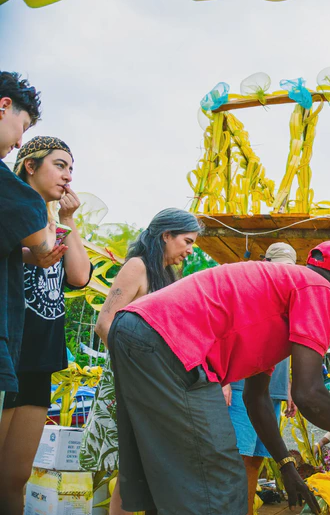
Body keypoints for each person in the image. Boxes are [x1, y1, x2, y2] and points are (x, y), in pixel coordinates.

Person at [109, 241, 330, 514]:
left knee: (165, 471)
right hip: (172, 342)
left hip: (133, 328)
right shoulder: (318, 289)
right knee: (222, 479)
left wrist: (285, 464)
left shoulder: (276, 294)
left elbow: (256, 397)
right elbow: (309, 394)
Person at [79, 208, 200, 515]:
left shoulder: (169, 275)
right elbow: (105, 324)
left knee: (146, 471)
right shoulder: (137, 267)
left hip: (153, 382)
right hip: (131, 379)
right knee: (131, 473)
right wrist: (137, 370)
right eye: (186, 241)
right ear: (166, 235)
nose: (190, 249)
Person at [0, 136, 92, 514]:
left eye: (71, 168)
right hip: (10, 349)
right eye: (59, 165)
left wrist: (68, 220)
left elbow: (80, 276)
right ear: (29, 166)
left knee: (16, 474)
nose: (68, 176)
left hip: (41, 355)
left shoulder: (56, 223)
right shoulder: (12, 211)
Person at [0, 72, 63, 427]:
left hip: (37, 356)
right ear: (3, 106)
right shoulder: (18, 197)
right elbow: (42, 249)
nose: (19, 138)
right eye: (22, 125)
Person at [222, 242, 299, 515]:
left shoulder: (289, 297)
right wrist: (225, 380)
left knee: (257, 458)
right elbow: (225, 334)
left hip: (273, 391)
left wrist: (289, 387)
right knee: (238, 456)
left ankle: (246, 510)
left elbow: (284, 348)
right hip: (243, 385)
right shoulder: (248, 292)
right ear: (264, 263)